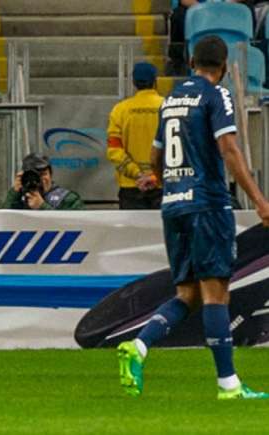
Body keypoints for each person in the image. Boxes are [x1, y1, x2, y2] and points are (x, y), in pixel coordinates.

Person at [117, 35, 269, 400]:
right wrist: (260, 201)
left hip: (174, 205)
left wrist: (163, 178)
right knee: (216, 293)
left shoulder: (172, 100)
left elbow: (156, 156)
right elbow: (229, 148)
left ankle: (138, 346)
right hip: (208, 204)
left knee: (187, 294)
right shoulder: (217, 95)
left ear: (190, 60)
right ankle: (228, 385)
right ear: (223, 67)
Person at [106, 62, 164, 209]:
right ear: (155, 81)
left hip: (131, 187)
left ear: (133, 83)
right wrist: (154, 176)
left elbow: (114, 151)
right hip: (162, 185)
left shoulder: (120, 110)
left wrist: (138, 174)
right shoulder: (168, 106)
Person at [2, 153, 84, 210]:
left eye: (43, 174)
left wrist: (42, 206)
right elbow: (2, 222)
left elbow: (76, 226)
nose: (39, 179)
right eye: (34, 175)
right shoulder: (19, 198)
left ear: (50, 175)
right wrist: (14, 193)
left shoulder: (67, 199)